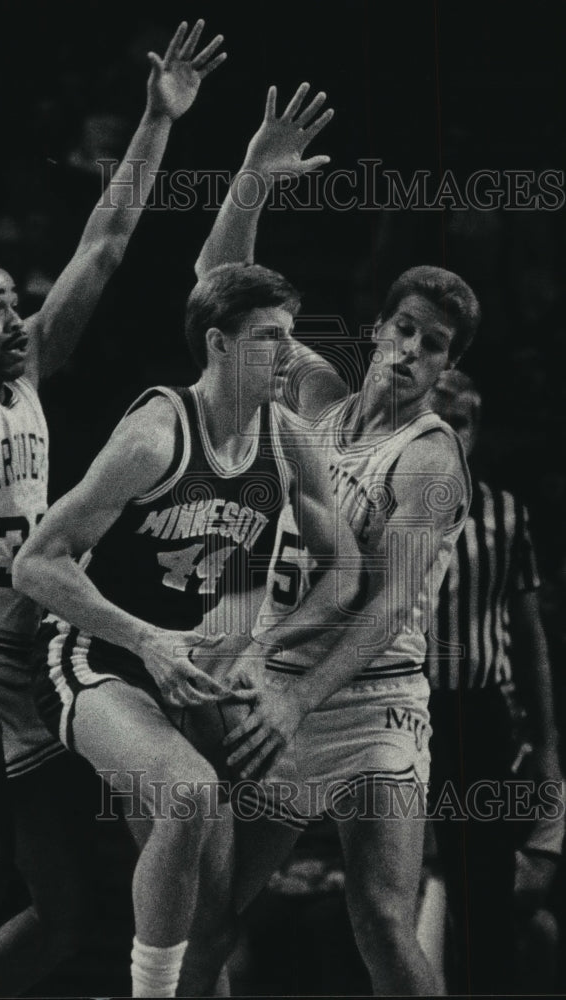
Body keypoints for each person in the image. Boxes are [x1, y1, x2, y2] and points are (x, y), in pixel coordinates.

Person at [0, 4, 227, 997]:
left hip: (22, 665)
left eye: (17, 301)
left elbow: (108, 240)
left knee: (74, 910)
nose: (17, 315)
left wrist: (158, 117)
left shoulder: (27, 383)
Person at [194, 82, 481, 996]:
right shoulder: (313, 392)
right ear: (378, 328)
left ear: (447, 366)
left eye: (432, 346)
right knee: (207, 910)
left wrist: (299, 698)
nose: (409, 353)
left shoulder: (428, 456)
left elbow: (390, 599)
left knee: (383, 923)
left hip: (373, 702)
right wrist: (252, 178)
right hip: (285, 682)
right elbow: (218, 296)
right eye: (403, 330)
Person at [11, 247, 354, 996]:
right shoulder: (156, 434)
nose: (288, 354)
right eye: (270, 336)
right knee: (190, 794)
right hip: (99, 655)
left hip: (194, 665)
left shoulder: (287, 439)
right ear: (219, 344)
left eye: (291, 336)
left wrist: (265, 648)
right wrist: (143, 639)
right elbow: (36, 564)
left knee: (281, 807)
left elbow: (348, 569)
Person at [425, 369, 564, 994]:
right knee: (395, 888)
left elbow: (529, 637)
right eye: (434, 418)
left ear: (474, 431)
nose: (446, 433)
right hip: (394, 707)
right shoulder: (374, 505)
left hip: (474, 713)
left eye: (458, 421)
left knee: (482, 891)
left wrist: (547, 746)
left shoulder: (506, 516)